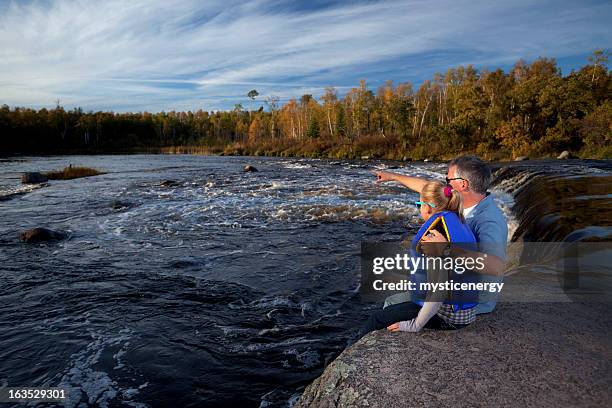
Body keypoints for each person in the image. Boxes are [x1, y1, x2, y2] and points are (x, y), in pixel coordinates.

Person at [374, 155, 507, 314]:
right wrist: (392, 176)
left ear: (463, 184)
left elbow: (496, 267)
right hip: (456, 285)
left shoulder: (488, 221)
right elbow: (426, 188)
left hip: (472, 300)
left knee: (392, 303)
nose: (446, 185)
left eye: (449, 179)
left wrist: (445, 249)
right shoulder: (464, 202)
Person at [364, 180, 478, 333]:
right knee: (392, 302)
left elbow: (438, 291)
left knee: (376, 319)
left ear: (427, 207)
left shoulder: (433, 237)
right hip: (465, 312)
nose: (419, 209)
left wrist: (414, 325)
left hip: (448, 317)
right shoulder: (457, 221)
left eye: (419, 204)